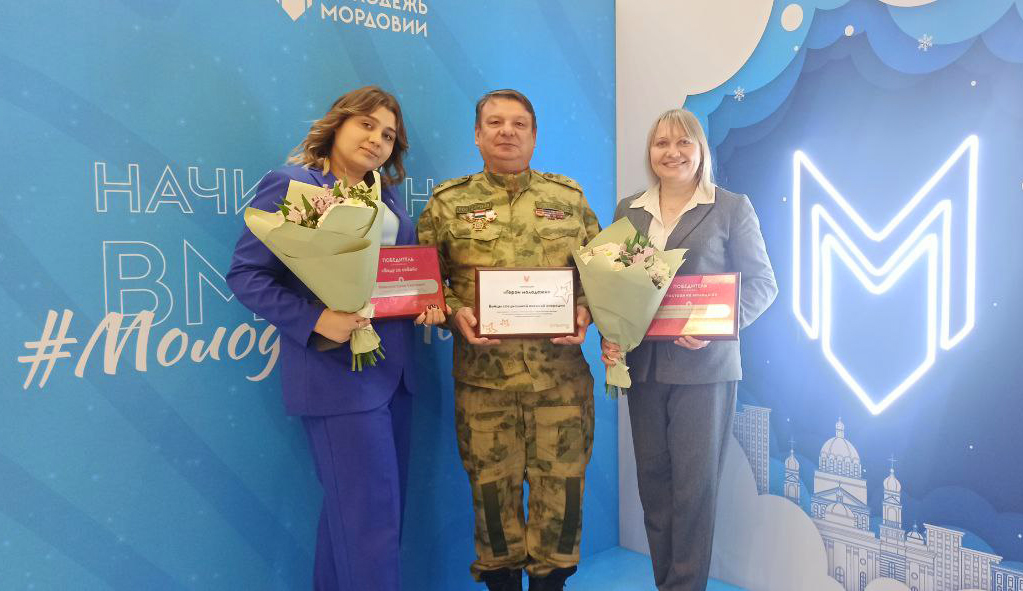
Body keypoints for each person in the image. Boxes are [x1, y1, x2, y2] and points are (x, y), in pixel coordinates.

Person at [226, 85, 445, 591]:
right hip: (336, 377)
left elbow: (396, 276)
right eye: (366, 125)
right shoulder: (292, 184)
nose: (376, 140)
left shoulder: (384, 195)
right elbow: (245, 275)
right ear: (338, 123)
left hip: (396, 377)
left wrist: (425, 302)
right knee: (369, 523)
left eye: (387, 135)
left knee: (365, 519)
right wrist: (315, 319)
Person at [417, 89, 600, 591]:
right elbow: (424, 283)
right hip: (484, 386)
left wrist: (586, 309)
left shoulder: (569, 199)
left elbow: (602, 275)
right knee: (492, 502)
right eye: (495, 122)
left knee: (562, 501)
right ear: (477, 135)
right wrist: (453, 313)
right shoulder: (447, 203)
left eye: (519, 124)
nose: (507, 131)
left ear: (534, 136)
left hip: (560, 383)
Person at [601, 108, 777, 591]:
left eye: (684, 142)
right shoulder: (629, 210)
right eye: (662, 143)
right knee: (654, 486)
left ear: (701, 150)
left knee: (693, 492)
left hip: (705, 370)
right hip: (643, 368)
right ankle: (668, 584)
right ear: (650, 152)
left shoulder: (730, 207)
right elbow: (616, 288)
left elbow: (763, 284)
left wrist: (717, 327)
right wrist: (610, 335)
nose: (672, 152)